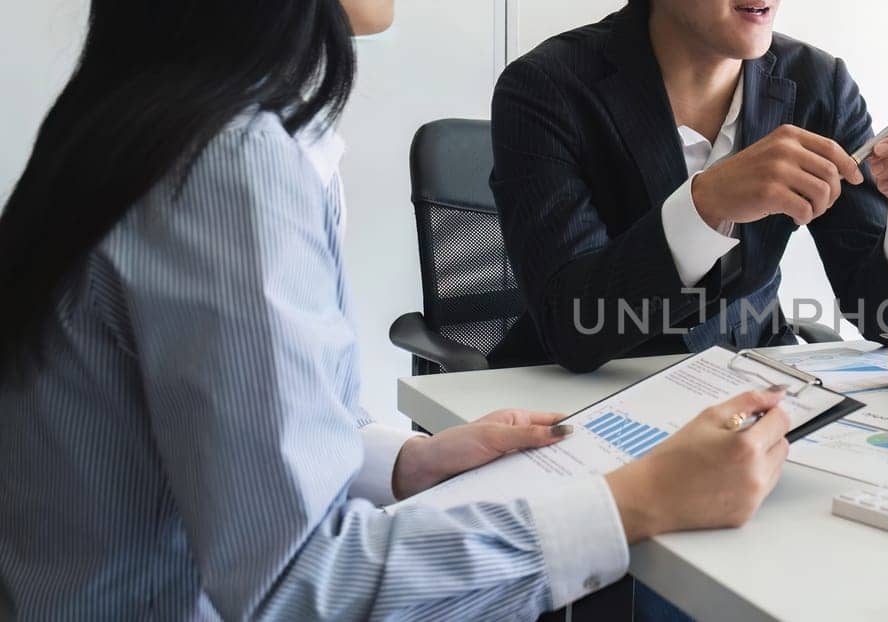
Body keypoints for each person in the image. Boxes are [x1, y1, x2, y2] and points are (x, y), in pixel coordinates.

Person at [0, 1, 794, 618]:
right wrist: (638, 503)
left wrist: (405, 462)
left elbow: (226, 441)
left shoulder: (162, 121)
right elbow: (294, 589)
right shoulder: (232, 167)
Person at [488, 0, 888, 372]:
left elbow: (882, 317)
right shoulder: (546, 87)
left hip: (753, 384)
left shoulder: (819, 84)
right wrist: (705, 205)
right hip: (578, 398)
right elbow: (571, 326)